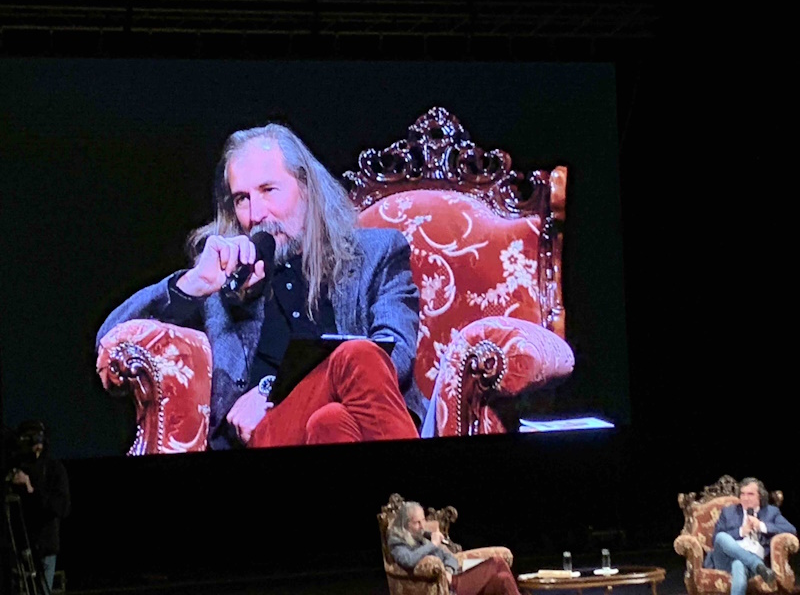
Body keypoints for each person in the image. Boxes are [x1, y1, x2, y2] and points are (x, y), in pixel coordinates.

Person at [97, 123, 426, 450]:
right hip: (261, 436)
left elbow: (395, 354)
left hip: (352, 419)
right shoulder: (223, 278)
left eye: (268, 190)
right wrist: (193, 283)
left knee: (330, 420)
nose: (256, 215)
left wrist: (269, 389)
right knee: (355, 355)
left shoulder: (377, 252)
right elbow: (112, 340)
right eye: (242, 199)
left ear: (307, 188)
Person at [388, 501, 520, 595]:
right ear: (406, 524)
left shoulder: (421, 537)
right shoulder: (398, 543)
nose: (422, 526)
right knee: (497, 562)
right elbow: (409, 560)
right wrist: (432, 545)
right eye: (417, 522)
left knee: (503, 579)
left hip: (455, 578)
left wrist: (449, 570)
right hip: (450, 588)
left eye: (423, 520)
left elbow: (449, 557)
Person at [5, 420, 70, 593]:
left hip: (43, 548)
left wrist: (30, 489)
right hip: (17, 548)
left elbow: (61, 508)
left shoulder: (54, 469)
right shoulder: (15, 466)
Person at [703, 477, 797, 595]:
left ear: (760, 496)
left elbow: (790, 530)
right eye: (742, 494)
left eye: (750, 494)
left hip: (753, 557)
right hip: (725, 559)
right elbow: (715, 539)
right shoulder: (729, 512)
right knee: (721, 536)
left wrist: (761, 526)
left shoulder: (771, 512)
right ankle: (757, 565)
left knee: (738, 565)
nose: (745, 498)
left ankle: (755, 565)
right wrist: (741, 531)